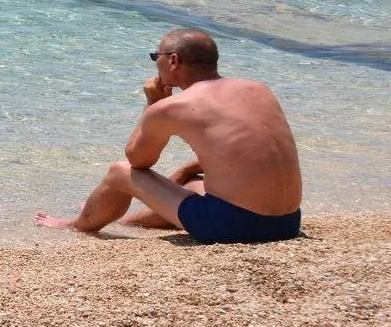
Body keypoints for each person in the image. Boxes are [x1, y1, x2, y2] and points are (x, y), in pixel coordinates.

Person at [35, 28, 302, 244]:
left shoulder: (173, 106)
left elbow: (138, 161)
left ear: (173, 61)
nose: (156, 63)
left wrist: (152, 104)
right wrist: (185, 171)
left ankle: (78, 225)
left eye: (156, 56)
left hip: (232, 228)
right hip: (287, 223)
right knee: (193, 185)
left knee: (119, 172)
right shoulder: (259, 89)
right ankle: (126, 220)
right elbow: (249, 152)